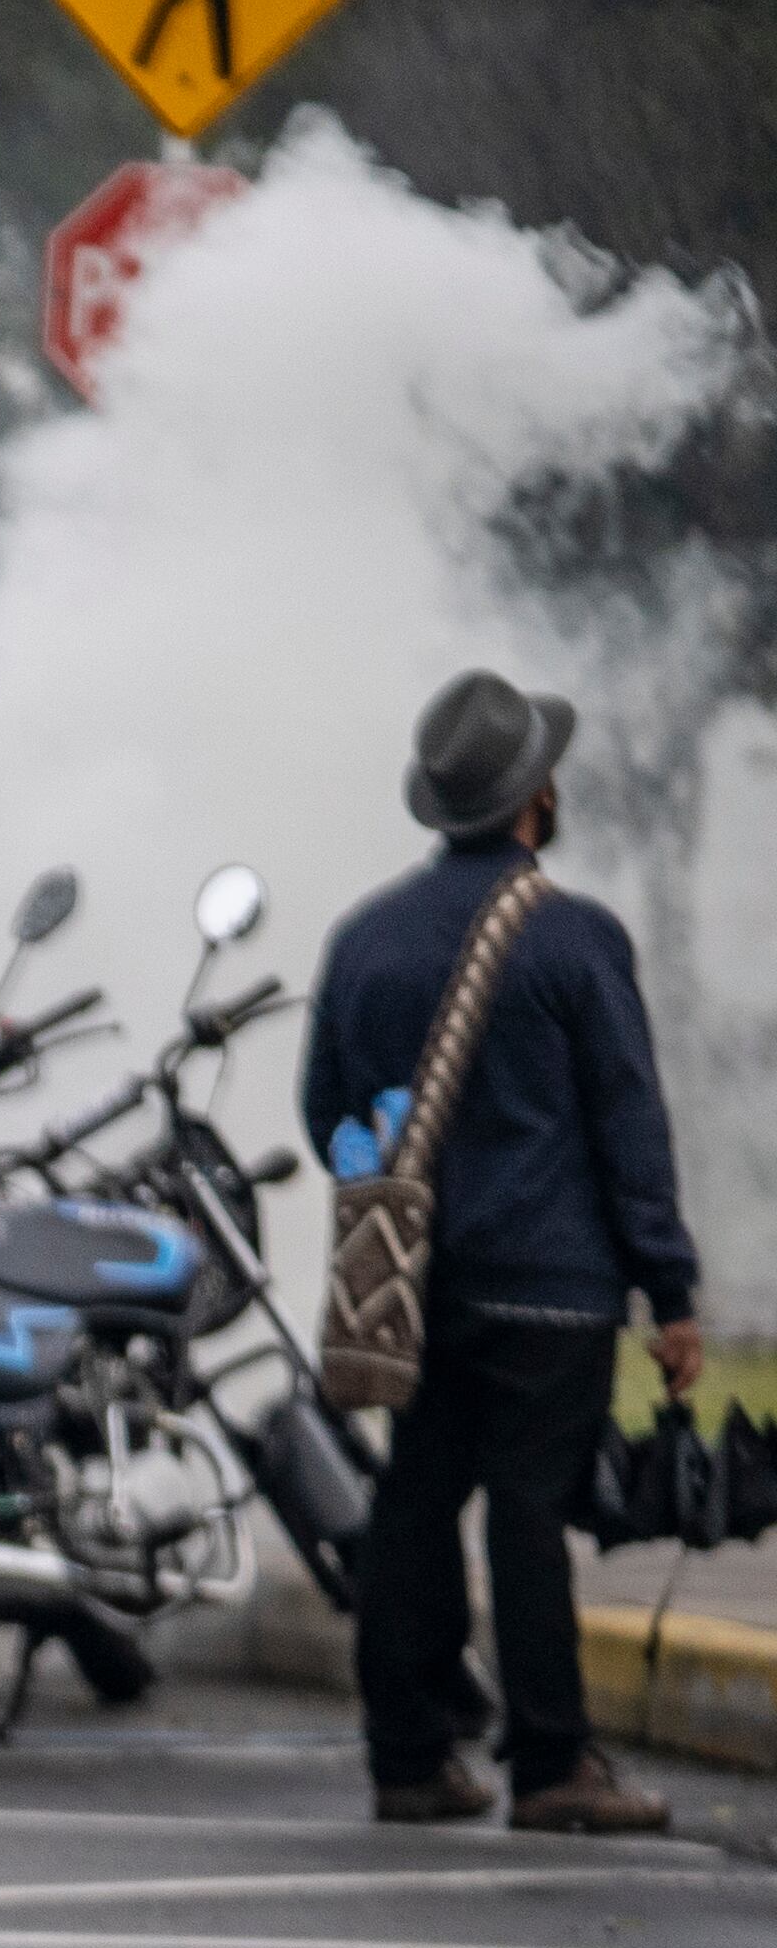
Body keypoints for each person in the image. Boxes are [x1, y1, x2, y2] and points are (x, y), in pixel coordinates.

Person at [304, 668, 703, 1839]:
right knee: (526, 1516)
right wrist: (668, 1289)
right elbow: (627, 1122)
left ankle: (407, 1759)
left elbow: (325, 1111)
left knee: (413, 1507)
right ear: (534, 799)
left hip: (411, 1291)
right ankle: (549, 1765)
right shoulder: (573, 938)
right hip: (551, 1292)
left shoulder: (363, 938)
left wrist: (396, 1195)